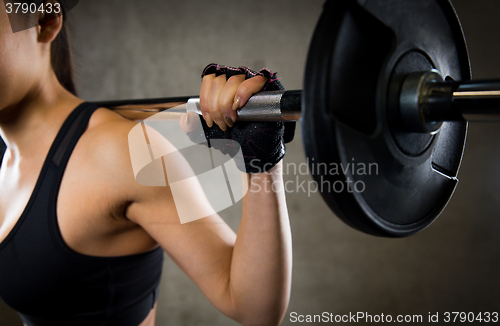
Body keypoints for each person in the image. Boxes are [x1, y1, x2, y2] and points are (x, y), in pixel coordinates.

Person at [0, 1, 292, 326]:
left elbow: (253, 307)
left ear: (44, 20)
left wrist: (262, 160)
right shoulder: (5, 155)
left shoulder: (118, 152)